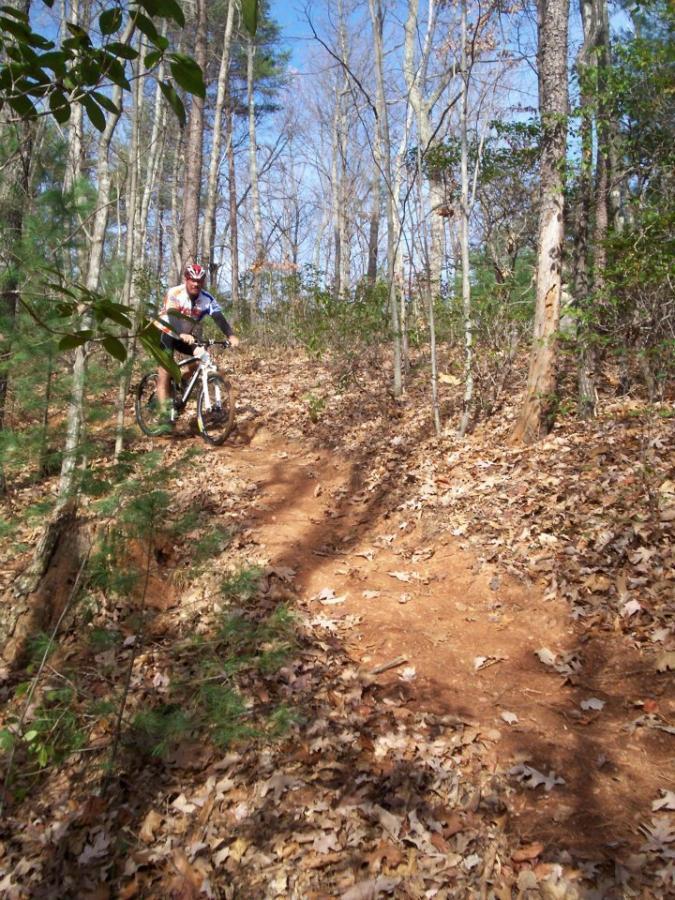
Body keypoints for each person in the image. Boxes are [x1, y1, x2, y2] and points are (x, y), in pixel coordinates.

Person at [154, 263, 239, 418]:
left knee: (203, 357)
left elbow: (218, 317)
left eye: (199, 281)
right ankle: (163, 417)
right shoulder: (175, 292)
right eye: (192, 280)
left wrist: (230, 335)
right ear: (186, 279)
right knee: (164, 371)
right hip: (164, 331)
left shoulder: (207, 299)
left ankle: (180, 377)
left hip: (185, 336)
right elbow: (172, 314)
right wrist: (180, 333)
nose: (196, 284)